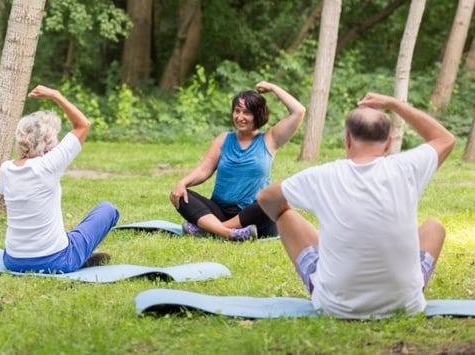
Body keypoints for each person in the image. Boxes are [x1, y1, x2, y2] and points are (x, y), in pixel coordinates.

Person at [257, 93, 455, 319]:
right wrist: (394, 104)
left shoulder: (322, 175)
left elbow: (265, 197)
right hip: (406, 305)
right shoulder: (407, 168)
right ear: (388, 143)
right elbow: (445, 139)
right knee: (434, 227)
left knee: (286, 216)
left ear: (347, 139)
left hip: (334, 307)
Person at [0, 85, 120, 273]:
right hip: (56, 261)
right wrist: (55, 95)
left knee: (67, 236)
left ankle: (74, 252)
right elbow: (82, 125)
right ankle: (77, 258)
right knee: (108, 209)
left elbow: (4, 195)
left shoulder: (6, 168)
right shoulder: (49, 164)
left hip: (13, 260)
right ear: (48, 144)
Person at [170, 81, 305, 241]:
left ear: (257, 114)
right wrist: (182, 183)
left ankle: (210, 229)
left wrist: (273, 88)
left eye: (246, 112)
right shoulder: (223, 139)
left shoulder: (270, 139)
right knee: (180, 195)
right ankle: (228, 233)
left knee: (272, 200)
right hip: (220, 210)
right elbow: (204, 170)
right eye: (237, 111)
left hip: (254, 215)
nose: (240, 117)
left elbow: (298, 111)